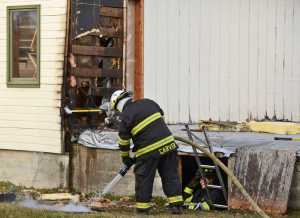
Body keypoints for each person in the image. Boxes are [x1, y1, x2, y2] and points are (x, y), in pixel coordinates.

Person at [109, 90, 183, 214]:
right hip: (169, 145)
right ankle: (176, 206)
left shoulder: (126, 116)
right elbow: (160, 118)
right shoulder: (148, 102)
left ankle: (143, 209)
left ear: (118, 104)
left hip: (148, 151)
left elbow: (123, 141)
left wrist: (125, 158)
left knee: (144, 177)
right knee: (170, 175)